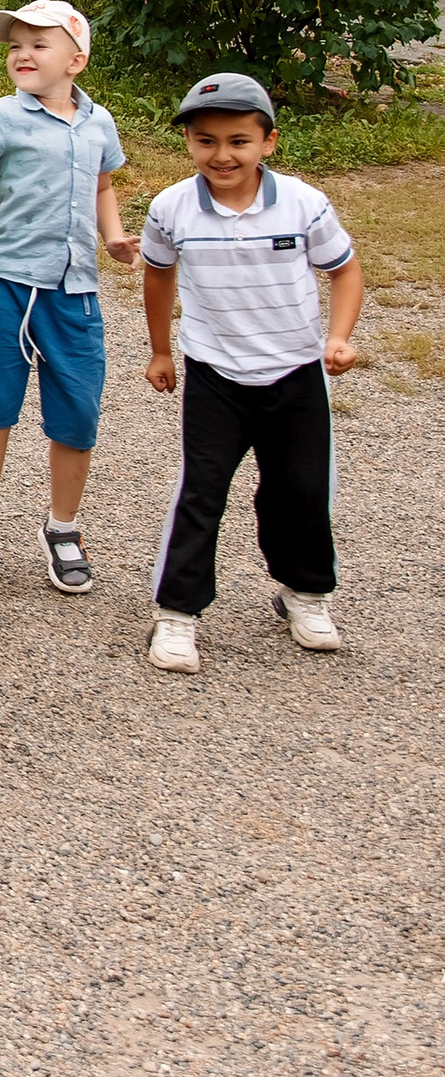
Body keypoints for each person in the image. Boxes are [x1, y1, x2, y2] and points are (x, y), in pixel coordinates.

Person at [139, 73, 363, 673]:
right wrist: (161, 350)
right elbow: (157, 274)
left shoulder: (304, 203)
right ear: (188, 142)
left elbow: (344, 270)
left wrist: (338, 338)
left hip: (294, 371)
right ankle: (178, 614)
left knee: (302, 490)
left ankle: (305, 594)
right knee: (201, 494)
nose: (222, 154)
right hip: (215, 372)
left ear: (269, 142)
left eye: (239, 140)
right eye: (206, 140)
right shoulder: (171, 207)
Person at [0, 0, 137, 594]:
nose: (22, 55)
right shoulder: (1, 115)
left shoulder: (100, 123)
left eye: (37, 44)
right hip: (4, 284)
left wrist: (114, 236)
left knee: (76, 416)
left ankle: (64, 528)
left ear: (76, 60)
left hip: (74, 293)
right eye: (14, 46)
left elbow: (103, 188)